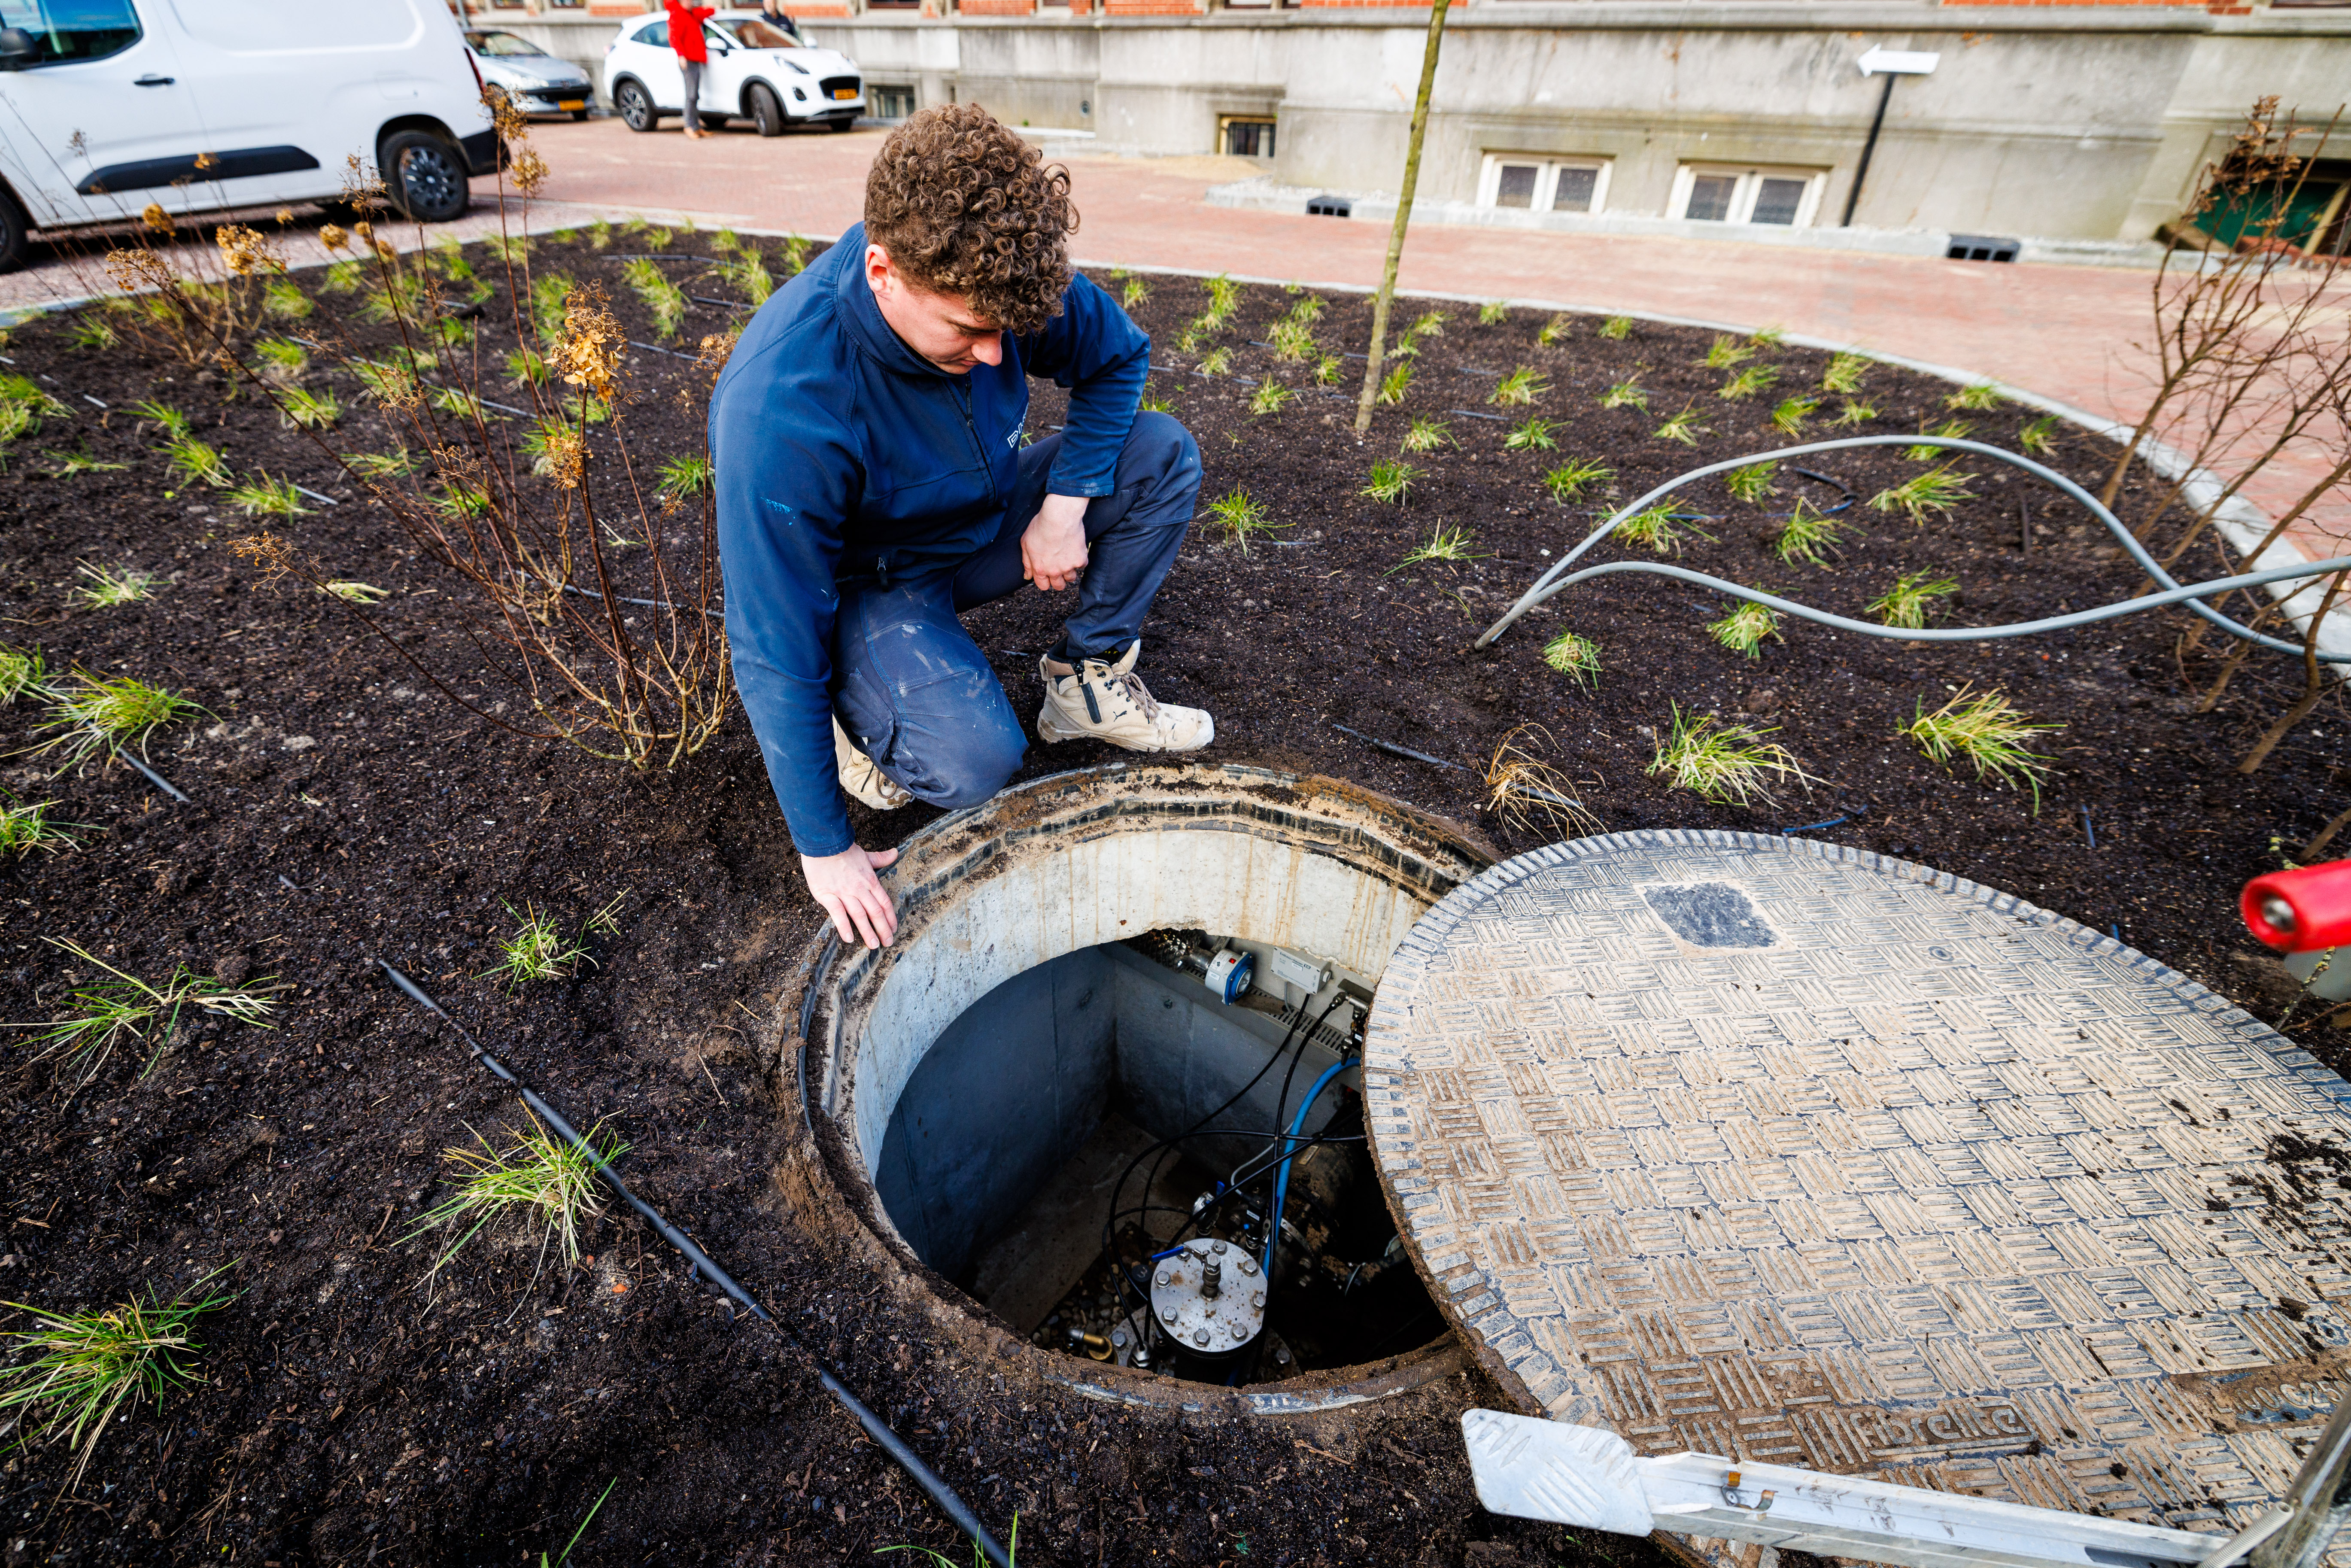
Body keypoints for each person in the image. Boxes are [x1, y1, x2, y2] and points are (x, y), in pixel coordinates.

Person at [711, 104, 1211, 951]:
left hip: (978, 523)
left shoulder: (991, 277)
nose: (993, 355)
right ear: (882, 271)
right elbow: (770, 641)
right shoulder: (784, 407)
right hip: (871, 586)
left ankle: (1083, 680)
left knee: (1159, 452)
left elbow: (1116, 356)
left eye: (1005, 332)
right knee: (975, 762)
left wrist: (1065, 503)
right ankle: (857, 713)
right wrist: (824, 849)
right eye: (968, 331)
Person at [663, 0, 714, 139]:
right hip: (688, 60)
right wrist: (681, 56)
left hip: (696, 58)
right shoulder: (677, 15)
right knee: (691, 95)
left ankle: (696, 127)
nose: (692, 2)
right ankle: (689, 126)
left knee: (695, 95)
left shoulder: (691, 13)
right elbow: (674, 37)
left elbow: (705, 12)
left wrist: (715, 9)